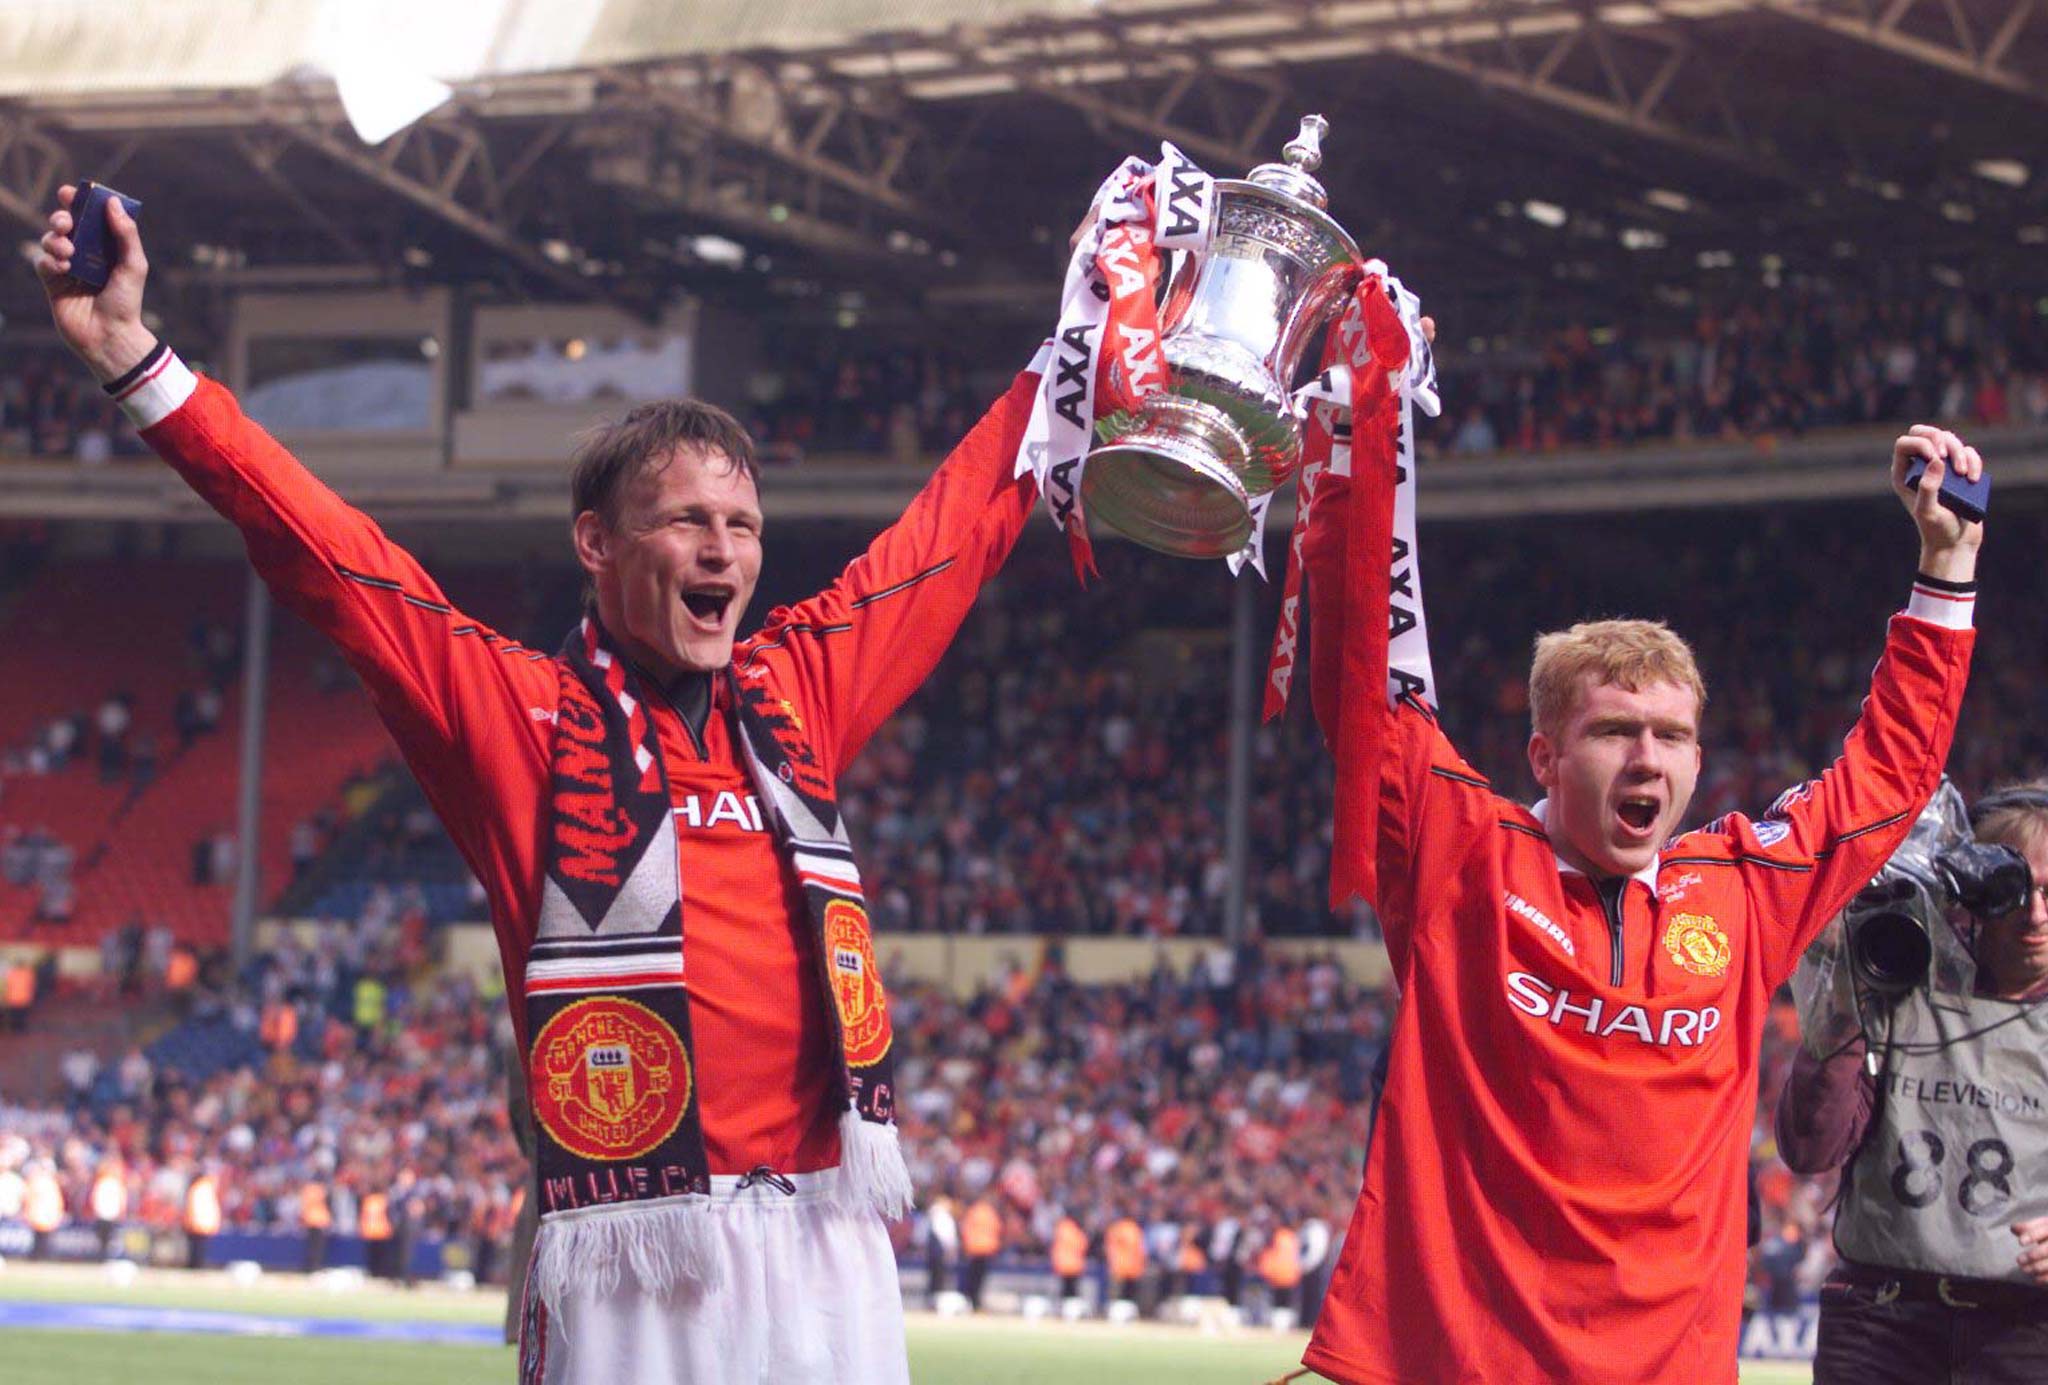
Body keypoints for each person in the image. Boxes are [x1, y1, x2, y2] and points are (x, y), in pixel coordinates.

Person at [38, 183, 1048, 1385]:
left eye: (742, 520)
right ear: (595, 544)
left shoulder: (797, 696)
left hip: (832, 1228)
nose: (723, 547)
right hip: (637, 1244)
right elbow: (327, 555)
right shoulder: (519, 714)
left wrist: (1069, 362)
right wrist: (136, 361)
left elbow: (946, 536)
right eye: (684, 519)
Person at [1296, 397, 1984, 1382]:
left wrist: (1945, 567)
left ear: (1696, 761)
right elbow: (1360, 685)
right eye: (1614, 731)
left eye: (1668, 736)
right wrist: (1361, 442)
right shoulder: (1465, 857)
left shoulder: (1741, 892)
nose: (1645, 758)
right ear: (1544, 752)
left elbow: (1883, 778)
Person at [1776, 783, 2048, 1382]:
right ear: (1968, 892)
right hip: (1880, 1323)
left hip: (2025, 1330)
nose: (2035, 915)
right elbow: (1810, 1147)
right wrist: (1845, 998)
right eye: (2014, 890)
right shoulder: (1898, 984)